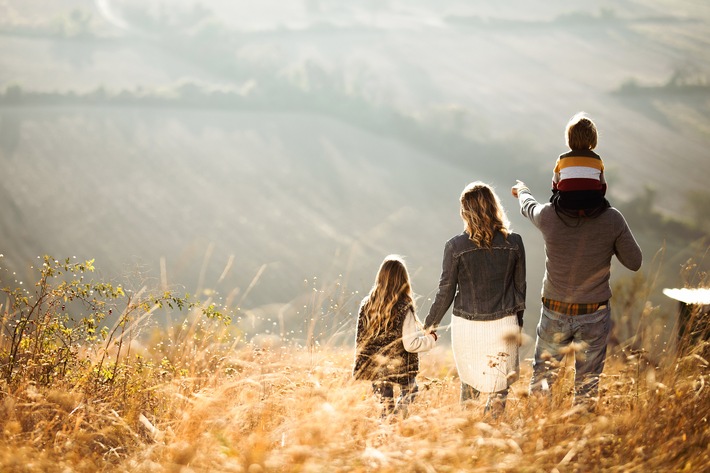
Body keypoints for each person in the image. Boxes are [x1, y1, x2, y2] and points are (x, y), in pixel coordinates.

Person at [511, 179, 642, 406]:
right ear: (601, 186)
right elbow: (634, 262)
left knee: (542, 380)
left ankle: (536, 434)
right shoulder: (612, 219)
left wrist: (522, 190)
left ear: (558, 185)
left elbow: (528, 206)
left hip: (554, 311)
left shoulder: (549, 215)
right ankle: (580, 434)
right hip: (594, 313)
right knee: (587, 385)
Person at [424, 182, 526, 417]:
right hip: (504, 325)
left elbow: (445, 292)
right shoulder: (515, 243)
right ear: (494, 206)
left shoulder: (455, 246)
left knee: (469, 387)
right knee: (500, 388)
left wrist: (430, 325)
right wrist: (516, 325)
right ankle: (493, 434)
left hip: (467, 326)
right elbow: (520, 290)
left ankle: (467, 435)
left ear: (465, 212)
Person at [353, 255, 437, 417]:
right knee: (411, 391)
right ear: (403, 280)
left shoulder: (367, 304)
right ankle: (394, 420)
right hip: (398, 366)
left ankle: (385, 432)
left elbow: (361, 340)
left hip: (375, 367)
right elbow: (410, 344)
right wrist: (430, 340)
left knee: (384, 407)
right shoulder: (404, 306)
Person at [550, 112, 609, 217]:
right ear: (593, 138)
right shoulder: (597, 159)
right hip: (593, 204)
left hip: (566, 204)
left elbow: (555, 185)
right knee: (607, 206)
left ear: (569, 138)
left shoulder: (562, 159)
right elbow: (603, 186)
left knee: (553, 200)